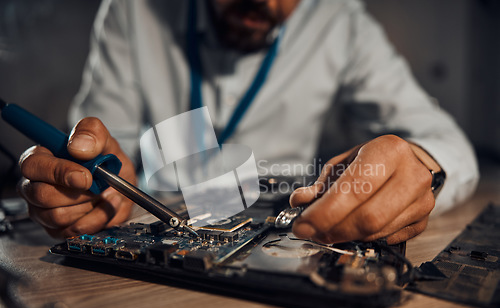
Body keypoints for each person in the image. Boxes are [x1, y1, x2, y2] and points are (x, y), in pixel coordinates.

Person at [18, 0, 478, 244]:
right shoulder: (132, 10)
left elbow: (444, 141)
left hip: (282, 241)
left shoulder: (341, 22)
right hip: (151, 234)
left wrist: (418, 166)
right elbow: (97, 148)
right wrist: (89, 188)